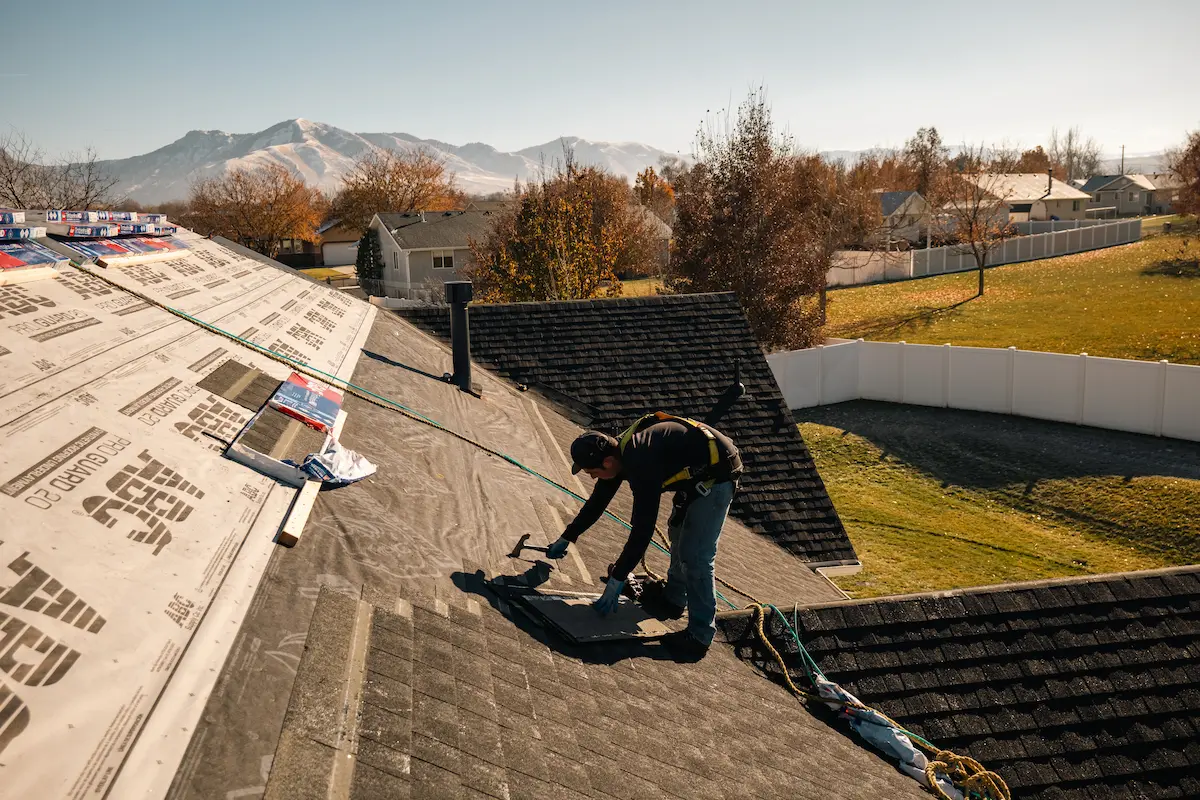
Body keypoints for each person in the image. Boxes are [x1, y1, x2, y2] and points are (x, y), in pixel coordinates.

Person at [546, 412, 742, 659]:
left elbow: (643, 528)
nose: (593, 477)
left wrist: (618, 579)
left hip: (718, 476)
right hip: (696, 473)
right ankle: (673, 600)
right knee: (678, 536)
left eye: (591, 472)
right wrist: (567, 537)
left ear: (606, 463)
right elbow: (597, 503)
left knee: (696, 555)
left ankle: (699, 637)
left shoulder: (641, 459)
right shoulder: (618, 453)